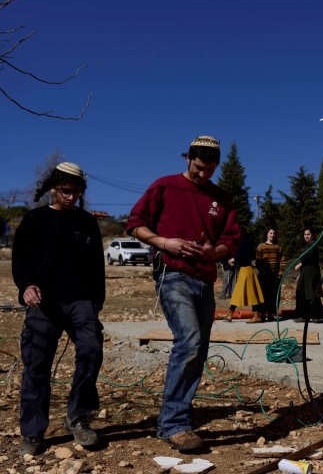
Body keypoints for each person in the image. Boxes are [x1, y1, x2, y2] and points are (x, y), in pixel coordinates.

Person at [127, 135, 239, 452]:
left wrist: (212, 251)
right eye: (199, 167)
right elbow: (134, 224)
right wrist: (166, 242)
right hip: (172, 272)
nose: (203, 174)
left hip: (204, 278)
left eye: (210, 170)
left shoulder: (222, 198)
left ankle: (176, 414)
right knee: (189, 340)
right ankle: (174, 424)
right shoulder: (164, 186)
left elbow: (230, 242)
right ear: (187, 158)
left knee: (198, 348)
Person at [12, 162, 105, 456]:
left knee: (91, 351)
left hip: (81, 301)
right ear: (54, 188)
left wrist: (96, 302)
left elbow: (96, 266)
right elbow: (20, 260)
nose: (71, 196)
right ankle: (33, 431)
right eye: (66, 190)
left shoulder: (87, 222)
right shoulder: (35, 220)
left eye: (77, 191)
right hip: (44, 301)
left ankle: (78, 417)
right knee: (37, 364)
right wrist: (26, 286)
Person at [223, 232, 264, 322]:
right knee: (240, 293)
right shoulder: (241, 241)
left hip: (246, 270)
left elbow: (247, 253)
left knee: (250, 294)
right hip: (244, 270)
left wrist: (235, 258)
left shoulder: (244, 241)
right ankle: (230, 313)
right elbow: (244, 254)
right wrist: (235, 260)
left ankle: (256, 315)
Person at [253, 227, 282, 322]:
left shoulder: (278, 247)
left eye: (274, 233)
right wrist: (263, 270)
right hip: (264, 275)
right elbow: (258, 261)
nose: (272, 235)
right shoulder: (261, 246)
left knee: (272, 295)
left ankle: (270, 314)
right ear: (267, 234)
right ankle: (261, 314)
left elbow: (282, 260)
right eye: (270, 233)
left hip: (274, 275)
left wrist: (280, 272)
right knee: (262, 294)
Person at [294, 228, 323, 320]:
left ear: (312, 235)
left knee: (311, 294)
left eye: (308, 234)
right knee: (301, 292)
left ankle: (315, 315)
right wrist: (300, 274)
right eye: (305, 234)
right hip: (305, 273)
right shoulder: (307, 246)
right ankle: (304, 315)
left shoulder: (313, 245)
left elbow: (310, 256)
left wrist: (300, 264)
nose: (306, 236)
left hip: (311, 273)